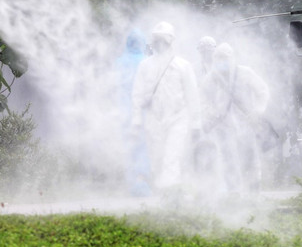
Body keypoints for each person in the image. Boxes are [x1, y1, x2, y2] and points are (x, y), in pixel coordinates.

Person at [130, 21, 201, 197]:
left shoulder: (183, 66)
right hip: (153, 118)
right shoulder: (145, 65)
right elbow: (137, 95)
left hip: (178, 118)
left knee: (172, 156)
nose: (160, 43)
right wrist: (136, 120)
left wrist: (196, 122)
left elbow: (193, 96)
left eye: (163, 39)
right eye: (157, 39)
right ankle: (164, 195)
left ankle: (171, 197)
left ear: (171, 41)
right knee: (156, 158)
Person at [200, 42, 271, 195]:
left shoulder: (245, 73)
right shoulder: (211, 78)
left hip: (246, 123)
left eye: (224, 58)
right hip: (223, 125)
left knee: (250, 157)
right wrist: (212, 113)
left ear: (232, 58)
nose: (221, 61)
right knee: (228, 159)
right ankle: (234, 192)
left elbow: (263, 91)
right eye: (218, 58)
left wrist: (258, 111)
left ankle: (254, 191)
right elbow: (202, 99)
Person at [116, 29, 150, 197]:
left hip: (123, 113)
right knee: (143, 147)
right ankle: (141, 181)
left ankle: (130, 183)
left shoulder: (119, 63)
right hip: (143, 113)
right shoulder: (147, 62)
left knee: (129, 147)